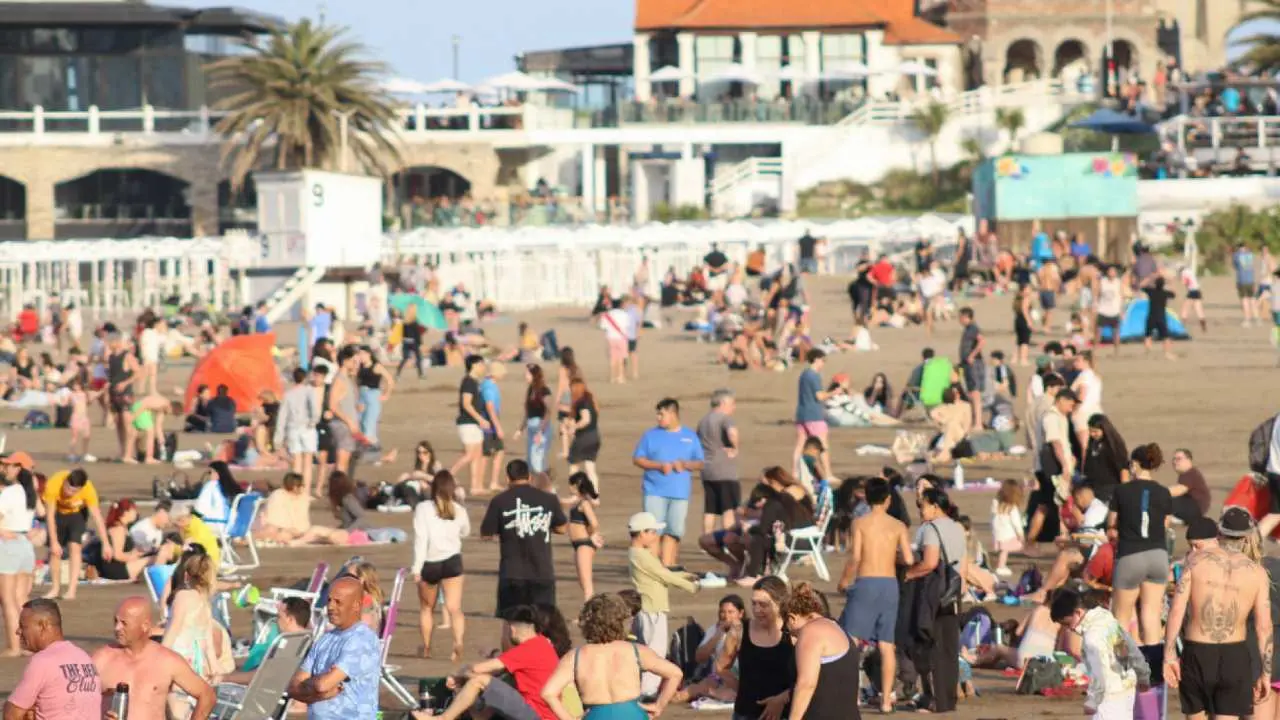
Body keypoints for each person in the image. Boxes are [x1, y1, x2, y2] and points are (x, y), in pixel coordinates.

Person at [1164, 507, 1271, 720]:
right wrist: (1265, 673)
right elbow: (1263, 626)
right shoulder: (1257, 573)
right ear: (1248, 537)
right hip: (1235, 655)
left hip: (1197, 652)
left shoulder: (1195, 561)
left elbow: (1176, 611)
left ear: (1219, 534)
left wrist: (1169, 655)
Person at [836, 478, 912, 714]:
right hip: (889, 585)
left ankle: (853, 695)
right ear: (888, 499)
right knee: (886, 645)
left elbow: (856, 557)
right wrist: (891, 554)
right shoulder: (898, 526)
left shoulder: (860, 523)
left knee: (852, 642)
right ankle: (887, 700)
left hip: (866, 582)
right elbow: (909, 560)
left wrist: (844, 580)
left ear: (866, 499)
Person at [541, 593, 683, 720]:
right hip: (632, 714)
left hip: (597, 714)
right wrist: (659, 705)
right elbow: (675, 674)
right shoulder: (635, 651)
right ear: (623, 622)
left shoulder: (576, 656)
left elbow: (548, 693)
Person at [416, 604, 561, 720]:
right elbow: (499, 668)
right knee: (487, 691)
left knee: (478, 681)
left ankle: (443, 718)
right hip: (543, 710)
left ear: (512, 628)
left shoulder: (526, 649)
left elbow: (479, 669)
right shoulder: (541, 643)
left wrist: (460, 675)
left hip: (537, 713)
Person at [94, 597, 216, 720]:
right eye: (116, 621)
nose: (117, 628)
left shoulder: (166, 661)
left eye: (124, 623)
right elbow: (78, 700)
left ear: (145, 626)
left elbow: (206, 695)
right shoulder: (101, 659)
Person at [480, 460, 568, 615]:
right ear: (529, 477)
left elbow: (486, 534)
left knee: (512, 624)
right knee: (543, 621)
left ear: (508, 478)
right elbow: (562, 528)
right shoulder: (549, 499)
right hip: (542, 572)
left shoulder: (499, 501)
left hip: (512, 574)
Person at [905, 489, 965, 713]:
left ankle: (937, 701)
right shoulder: (957, 527)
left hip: (934, 593)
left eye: (922, 506)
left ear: (934, 506)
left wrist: (908, 574)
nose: (920, 510)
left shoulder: (931, 529)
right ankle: (948, 700)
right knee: (950, 649)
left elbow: (929, 563)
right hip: (954, 590)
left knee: (934, 646)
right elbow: (963, 563)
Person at [628, 511, 700, 696]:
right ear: (642, 533)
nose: (655, 536)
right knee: (655, 652)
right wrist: (689, 586)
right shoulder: (641, 555)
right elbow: (662, 575)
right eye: (652, 532)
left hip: (650, 608)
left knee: (647, 650)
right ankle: (648, 691)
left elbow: (661, 571)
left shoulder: (639, 554)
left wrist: (685, 575)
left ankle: (644, 688)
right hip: (652, 609)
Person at [288, 577, 382, 719]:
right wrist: (320, 687)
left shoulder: (362, 639)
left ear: (356, 605)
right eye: (329, 600)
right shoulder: (325, 639)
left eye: (338, 602)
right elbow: (293, 688)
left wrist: (313, 684)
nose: (330, 607)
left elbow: (323, 685)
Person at [1109, 443, 1173, 647]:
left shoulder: (1121, 490)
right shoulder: (1164, 492)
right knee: (1151, 615)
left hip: (1130, 553)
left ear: (1135, 464)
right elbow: (1165, 524)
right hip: (1157, 555)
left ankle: (1120, 667)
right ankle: (1153, 669)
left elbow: (1111, 522)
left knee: (1121, 616)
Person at [1051, 589, 1151, 720]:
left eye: (1067, 623)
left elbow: (1099, 671)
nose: (1069, 628)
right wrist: (1143, 674)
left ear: (1078, 612)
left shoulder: (1092, 638)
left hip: (1108, 696)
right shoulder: (1105, 618)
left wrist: (1092, 701)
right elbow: (1127, 649)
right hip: (1127, 687)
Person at [632, 398, 705, 567]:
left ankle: (668, 566)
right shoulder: (650, 435)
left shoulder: (689, 436)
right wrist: (658, 466)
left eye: (661, 414)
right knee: (653, 530)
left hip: (679, 493)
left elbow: (700, 462)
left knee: (674, 531)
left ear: (673, 414)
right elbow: (638, 459)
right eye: (657, 414)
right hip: (654, 491)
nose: (658, 417)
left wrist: (685, 464)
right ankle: (654, 567)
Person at [4, 599, 101, 718]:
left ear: (43, 626)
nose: (18, 631)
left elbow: (12, 714)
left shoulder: (43, 661)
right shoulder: (84, 658)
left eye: (23, 626)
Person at [413, 470, 470, 661]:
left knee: (426, 608)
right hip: (452, 560)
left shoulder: (423, 508)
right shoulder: (459, 510)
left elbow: (421, 539)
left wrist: (416, 567)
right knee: (455, 608)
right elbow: (466, 531)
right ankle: (458, 643)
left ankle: (427, 647)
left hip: (430, 562)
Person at [785, 582, 860, 720]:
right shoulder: (838, 628)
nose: (793, 638)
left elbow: (806, 684)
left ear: (792, 618)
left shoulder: (810, 631)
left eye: (787, 630)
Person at [732, 577, 795, 720]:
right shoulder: (740, 631)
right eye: (753, 603)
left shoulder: (793, 632)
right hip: (746, 713)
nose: (757, 610)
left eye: (763, 604)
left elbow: (808, 677)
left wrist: (783, 698)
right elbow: (721, 667)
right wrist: (743, 689)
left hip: (784, 714)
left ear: (779, 604)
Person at [42, 468, 109, 601]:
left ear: (80, 489)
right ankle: (55, 588)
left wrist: (106, 544)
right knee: (55, 552)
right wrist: (54, 542)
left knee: (75, 547)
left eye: (73, 491)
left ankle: (71, 589)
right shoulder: (54, 483)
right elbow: (49, 516)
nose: (68, 492)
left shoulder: (88, 490)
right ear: (65, 481)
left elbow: (97, 517)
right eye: (67, 487)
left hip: (77, 514)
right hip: (57, 513)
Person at [0, 455, 36, 658]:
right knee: (22, 598)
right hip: (25, 544)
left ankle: (14, 646)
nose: (5, 469)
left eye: (9, 465)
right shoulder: (29, 492)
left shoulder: (11, 492)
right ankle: (28, 644)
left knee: (7, 599)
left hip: (9, 544)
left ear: (18, 469)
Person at [697, 388, 741, 536]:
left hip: (707, 469)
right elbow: (732, 432)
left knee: (710, 508)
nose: (734, 407)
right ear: (723, 403)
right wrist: (734, 447)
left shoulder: (703, 421)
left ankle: (706, 539)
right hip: (724, 471)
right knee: (728, 508)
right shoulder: (725, 418)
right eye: (732, 404)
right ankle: (728, 538)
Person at [275, 366, 323, 496]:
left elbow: (282, 417)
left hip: (293, 429)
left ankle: (296, 489)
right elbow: (315, 410)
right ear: (305, 378)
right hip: (307, 428)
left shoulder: (288, 394)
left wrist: (278, 438)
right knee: (308, 462)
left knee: (296, 462)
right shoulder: (309, 391)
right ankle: (305, 491)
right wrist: (313, 421)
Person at [453, 355, 491, 496]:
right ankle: (449, 475)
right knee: (469, 455)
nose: (483, 367)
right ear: (474, 365)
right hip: (467, 423)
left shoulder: (475, 382)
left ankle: (476, 486)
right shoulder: (468, 382)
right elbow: (466, 404)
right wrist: (480, 419)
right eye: (481, 364)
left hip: (474, 423)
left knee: (478, 455)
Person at [793, 349, 831, 478]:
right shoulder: (814, 375)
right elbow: (820, 396)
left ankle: (795, 472)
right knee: (822, 445)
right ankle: (828, 474)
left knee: (800, 445)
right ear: (816, 359)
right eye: (822, 360)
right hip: (814, 415)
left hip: (801, 415)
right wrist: (834, 393)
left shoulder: (804, 374)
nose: (823, 364)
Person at [93, 499, 151, 581]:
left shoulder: (121, 527)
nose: (136, 513)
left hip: (117, 567)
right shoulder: (118, 529)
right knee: (152, 559)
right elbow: (117, 555)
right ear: (125, 512)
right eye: (133, 510)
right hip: (117, 570)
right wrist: (133, 557)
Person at [566, 472, 602, 600]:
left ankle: (588, 615)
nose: (569, 487)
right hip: (579, 545)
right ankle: (589, 612)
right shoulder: (578, 502)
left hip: (584, 544)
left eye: (571, 485)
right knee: (583, 582)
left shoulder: (584, 504)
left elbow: (594, 523)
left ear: (577, 485)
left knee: (587, 584)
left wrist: (592, 535)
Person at [1082, 414, 1129, 504]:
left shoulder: (1115, 446)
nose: (1092, 434)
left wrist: (1125, 493)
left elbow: (1123, 469)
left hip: (1109, 490)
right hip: (1093, 489)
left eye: (1095, 431)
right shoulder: (1093, 445)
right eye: (1090, 431)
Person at [355, 345, 394, 451]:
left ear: (369, 354)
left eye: (362, 354)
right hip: (361, 396)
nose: (361, 356)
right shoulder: (360, 367)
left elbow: (390, 380)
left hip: (372, 395)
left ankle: (373, 447)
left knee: (369, 422)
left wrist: (386, 394)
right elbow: (356, 383)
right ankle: (370, 446)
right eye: (359, 354)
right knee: (360, 422)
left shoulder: (376, 366)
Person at [515, 363, 552, 474]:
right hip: (531, 426)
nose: (525, 376)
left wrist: (541, 431)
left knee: (537, 460)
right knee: (531, 460)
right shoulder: (531, 390)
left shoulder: (544, 390)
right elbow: (528, 413)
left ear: (534, 375)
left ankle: (544, 486)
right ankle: (538, 485)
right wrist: (520, 430)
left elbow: (548, 412)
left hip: (540, 426)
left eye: (527, 373)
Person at [567, 379, 602, 489]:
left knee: (574, 467)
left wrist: (573, 427)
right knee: (590, 468)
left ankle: (573, 492)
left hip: (583, 438)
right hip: (595, 436)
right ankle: (595, 494)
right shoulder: (591, 401)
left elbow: (586, 419)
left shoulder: (582, 402)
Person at [481, 361, 508, 493]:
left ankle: (493, 482)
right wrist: (498, 427)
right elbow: (490, 407)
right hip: (489, 425)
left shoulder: (490, 385)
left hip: (491, 423)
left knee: (499, 450)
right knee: (486, 454)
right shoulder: (488, 387)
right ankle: (481, 483)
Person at [957, 307, 986, 428]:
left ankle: (978, 423)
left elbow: (982, 341)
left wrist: (971, 356)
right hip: (968, 364)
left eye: (961, 317)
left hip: (973, 364)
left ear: (966, 317)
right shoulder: (968, 329)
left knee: (975, 393)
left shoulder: (973, 328)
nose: (959, 320)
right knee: (971, 393)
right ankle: (974, 421)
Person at [990, 478, 1026, 576]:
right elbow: (1017, 523)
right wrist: (1021, 535)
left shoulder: (995, 503)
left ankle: (1001, 565)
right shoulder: (1012, 508)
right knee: (1010, 549)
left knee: (1003, 550)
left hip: (997, 533)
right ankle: (1000, 567)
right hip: (1007, 534)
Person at [1170, 447, 1210, 523]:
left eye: (1178, 459)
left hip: (1195, 507)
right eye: (1174, 459)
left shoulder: (1190, 473)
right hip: (1194, 507)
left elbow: (1180, 490)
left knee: (1165, 501)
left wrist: (1159, 492)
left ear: (1188, 460)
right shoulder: (1186, 474)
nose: (1175, 462)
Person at [600, 298, 633, 384]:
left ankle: (612, 377)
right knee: (621, 358)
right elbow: (628, 325)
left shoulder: (607, 315)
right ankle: (620, 377)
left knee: (612, 358)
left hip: (610, 337)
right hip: (621, 337)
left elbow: (603, 327)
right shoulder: (625, 314)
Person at [1144, 276, 1177, 359]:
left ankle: (1148, 353)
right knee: (1166, 337)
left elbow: (1142, 286)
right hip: (1161, 317)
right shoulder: (1165, 293)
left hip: (1151, 316)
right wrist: (1171, 283)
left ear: (1155, 284)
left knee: (1148, 336)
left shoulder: (1151, 291)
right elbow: (1174, 294)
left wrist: (1150, 278)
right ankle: (1167, 353)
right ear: (1163, 284)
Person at [1095, 264, 1125, 356]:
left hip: (1114, 311)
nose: (1112, 273)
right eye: (1110, 271)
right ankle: (1095, 350)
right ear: (1107, 272)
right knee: (1098, 332)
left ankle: (1116, 352)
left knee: (1116, 333)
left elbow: (1121, 296)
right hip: (1103, 310)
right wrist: (1095, 306)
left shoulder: (1118, 282)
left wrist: (1121, 311)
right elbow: (1097, 294)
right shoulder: (1102, 281)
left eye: (1113, 271)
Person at [1235, 242, 1259, 327]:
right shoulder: (1250, 255)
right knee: (1252, 300)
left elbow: (1236, 266)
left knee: (1244, 300)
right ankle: (1257, 318)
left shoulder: (1237, 255)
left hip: (1242, 280)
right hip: (1251, 280)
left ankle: (1247, 319)